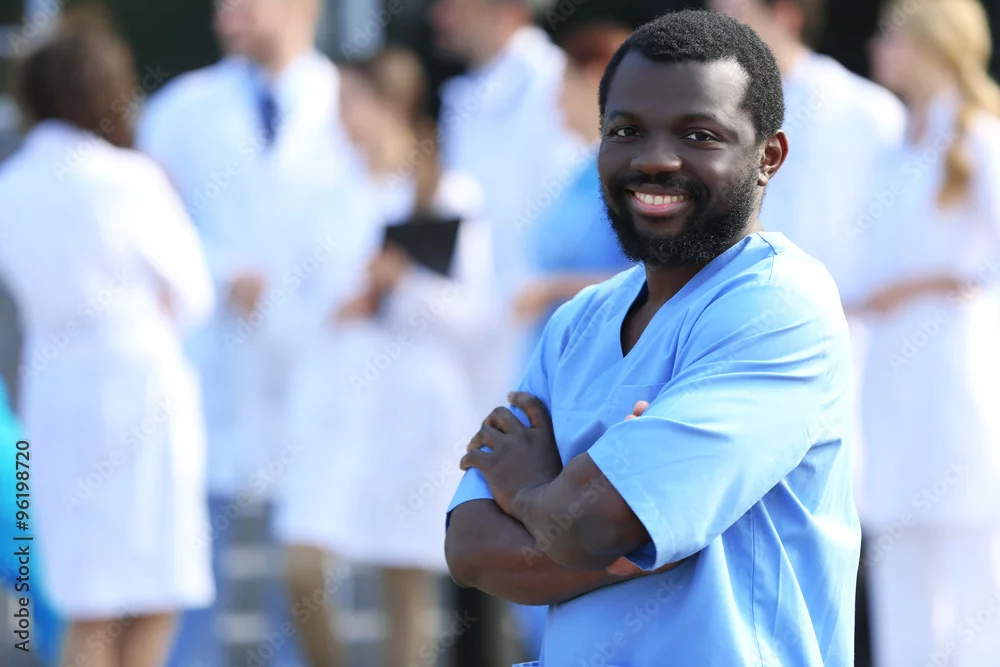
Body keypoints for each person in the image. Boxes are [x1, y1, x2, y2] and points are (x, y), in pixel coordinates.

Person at [446, 10, 861, 666]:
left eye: (699, 134)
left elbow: (592, 522)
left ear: (769, 156)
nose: (655, 159)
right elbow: (470, 548)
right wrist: (623, 524)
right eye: (626, 131)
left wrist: (528, 492)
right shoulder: (578, 321)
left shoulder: (780, 306)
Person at [0, 7, 215, 666]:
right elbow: (196, 294)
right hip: (137, 388)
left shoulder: (10, 186)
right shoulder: (129, 179)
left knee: (87, 595)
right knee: (157, 587)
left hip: (53, 389)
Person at [275, 47, 496, 667]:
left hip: (413, 408)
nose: (342, 117)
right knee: (301, 564)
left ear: (392, 104)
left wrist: (406, 285)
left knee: (406, 577)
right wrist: (339, 307)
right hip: (336, 402)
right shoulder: (324, 195)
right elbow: (291, 301)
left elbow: (476, 314)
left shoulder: (448, 192)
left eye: (353, 100)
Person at [845, 1, 1000, 665]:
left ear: (930, 45)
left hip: (955, 366)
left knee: (969, 554)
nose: (879, 47)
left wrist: (923, 284)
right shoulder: (890, 146)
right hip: (888, 371)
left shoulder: (979, 137)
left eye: (893, 36)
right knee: (898, 549)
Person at [507, 19, 635, 656]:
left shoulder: (628, 176)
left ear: (595, 82)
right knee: (532, 535)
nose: (554, 100)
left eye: (564, 84)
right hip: (553, 380)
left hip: (603, 381)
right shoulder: (576, 172)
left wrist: (552, 288)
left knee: (578, 544)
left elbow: (647, 273)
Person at [430, 0, 587, 410]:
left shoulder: (553, 81)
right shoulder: (462, 95)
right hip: (471, 325)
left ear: (505, 9)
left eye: (454, 6)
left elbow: (578, 207)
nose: (440, 17)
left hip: (538, 320)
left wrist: (533, 289)